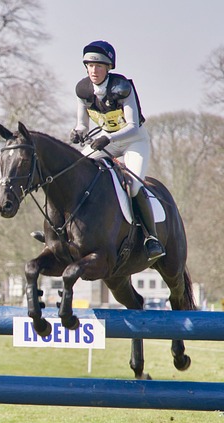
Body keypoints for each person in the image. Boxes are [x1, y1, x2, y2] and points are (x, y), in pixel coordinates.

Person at [69, 40, 165, 261]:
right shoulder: (82, 90)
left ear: (108, 67)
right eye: (90, 66)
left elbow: (132, 127)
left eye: (99, 66)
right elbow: (82, 123)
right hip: (107, 141)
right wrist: (78, 131)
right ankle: (64, 229)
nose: (94, 70)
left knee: (132, 187)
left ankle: (151, 238)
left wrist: (107, 137)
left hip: (133, 141)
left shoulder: (122, 88)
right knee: (76, 171)